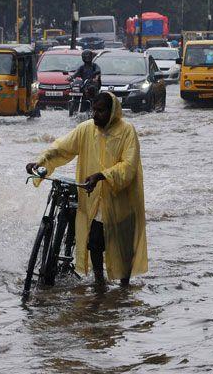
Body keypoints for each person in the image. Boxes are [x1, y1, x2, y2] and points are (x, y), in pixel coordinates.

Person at [26, 92, 147, 287]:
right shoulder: (86, 130)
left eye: (100, 111)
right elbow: (61, 148)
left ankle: (124, 289)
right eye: (94, 110)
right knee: (95, 242)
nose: (95, 115)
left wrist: (102, 175)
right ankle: (100, 283)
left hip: (120, 200)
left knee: (122, 246)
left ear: (112, 112)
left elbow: (129, 166)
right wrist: (40, 161)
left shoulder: (127, 131)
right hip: (94, 198)